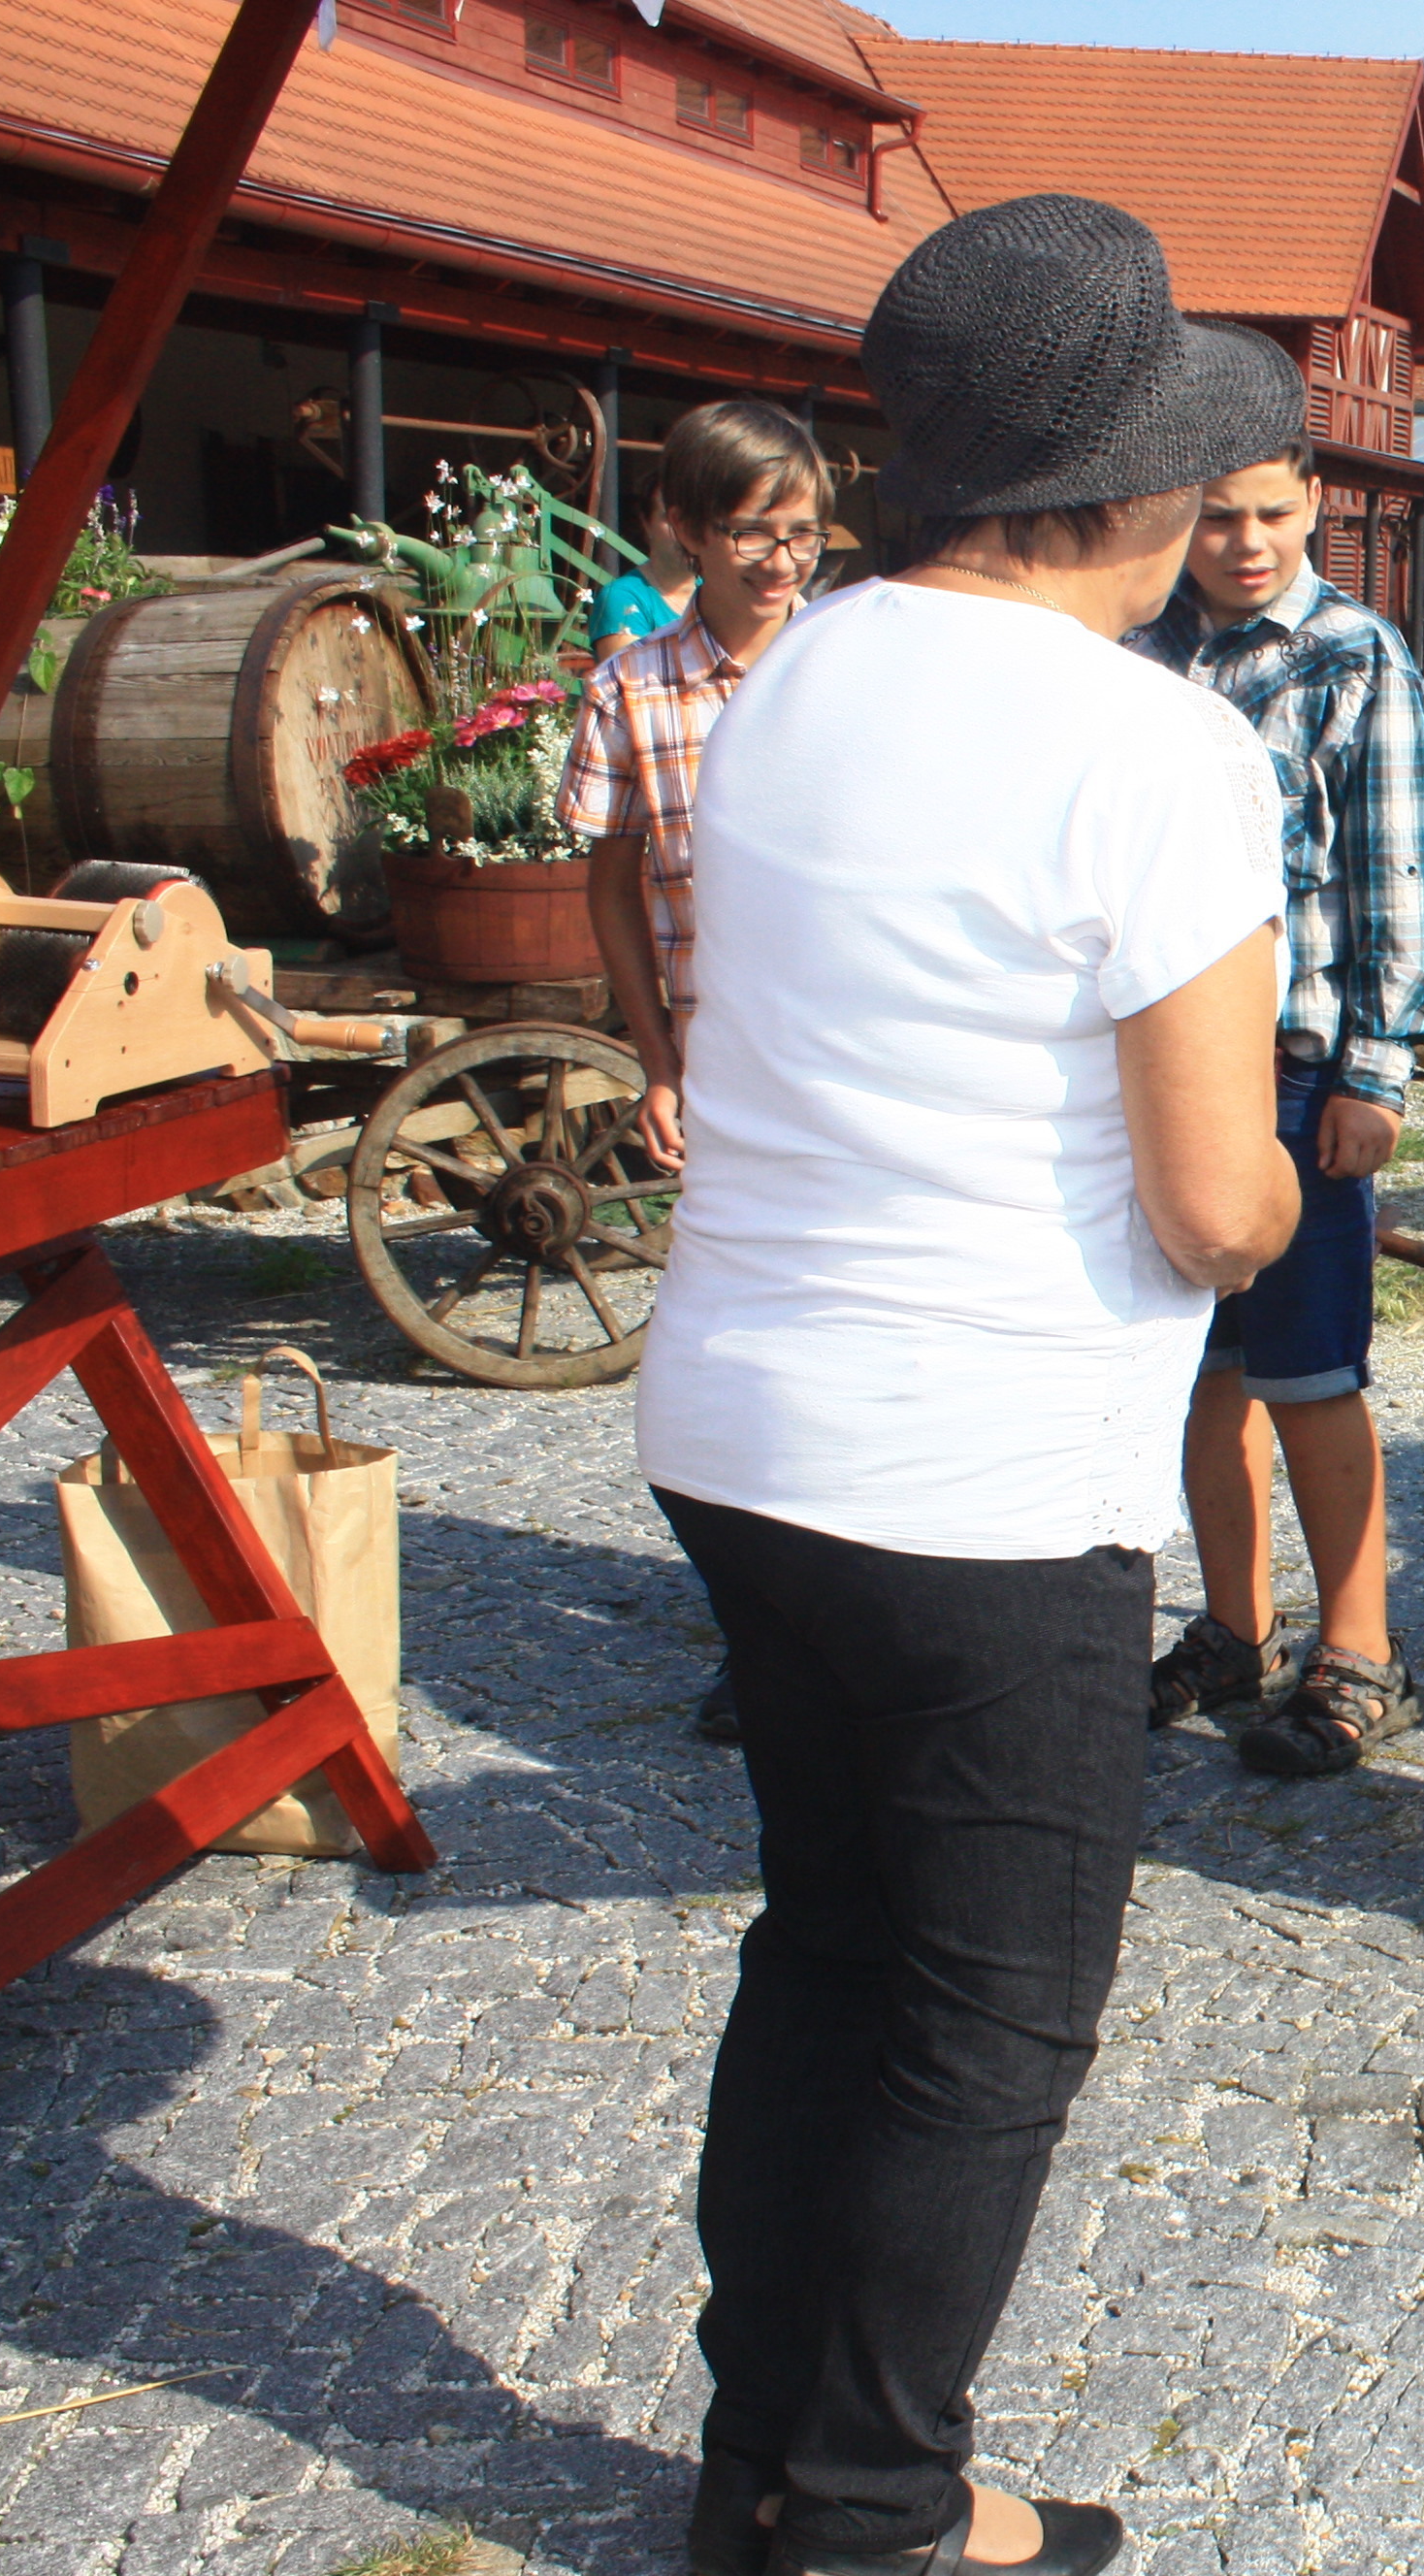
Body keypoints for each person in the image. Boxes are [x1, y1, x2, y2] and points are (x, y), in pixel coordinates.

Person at [632, 194, 1306, 2576]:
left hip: (740, 1419)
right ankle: (867, 2511)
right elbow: (1219, 1194)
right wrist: (1291, 1179)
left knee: (827, 1938)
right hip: (978, 1471)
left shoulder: (801, 665)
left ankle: (759, 2447)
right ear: (1132, 492)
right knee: (989, 2005)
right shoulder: (1157, 741)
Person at [1130, 449, 1424, 1774]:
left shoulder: (1353, 653)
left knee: (1310, 1371)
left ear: (1315, 502)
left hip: (1299, 1064)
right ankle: (1233, 1627)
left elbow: (1404, 871)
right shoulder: (1139, 646)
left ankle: (1362, 1648)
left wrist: (1378, 1069)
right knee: (1204, 1371)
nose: (1245, 541)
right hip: (1165, 1059)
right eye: (1213, 516)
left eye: (1271, 514)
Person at [561, 398, 832, 1747]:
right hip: (720, 1066)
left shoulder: (851, 669)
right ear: (681, 529)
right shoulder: (635, 685)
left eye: (803, 534)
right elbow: (610, 889)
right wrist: (653, 1055)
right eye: (750, 536)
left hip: (852, 1073)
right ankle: (765, 1638)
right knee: (733, 1367)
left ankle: (861, 1626)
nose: (782, 564)